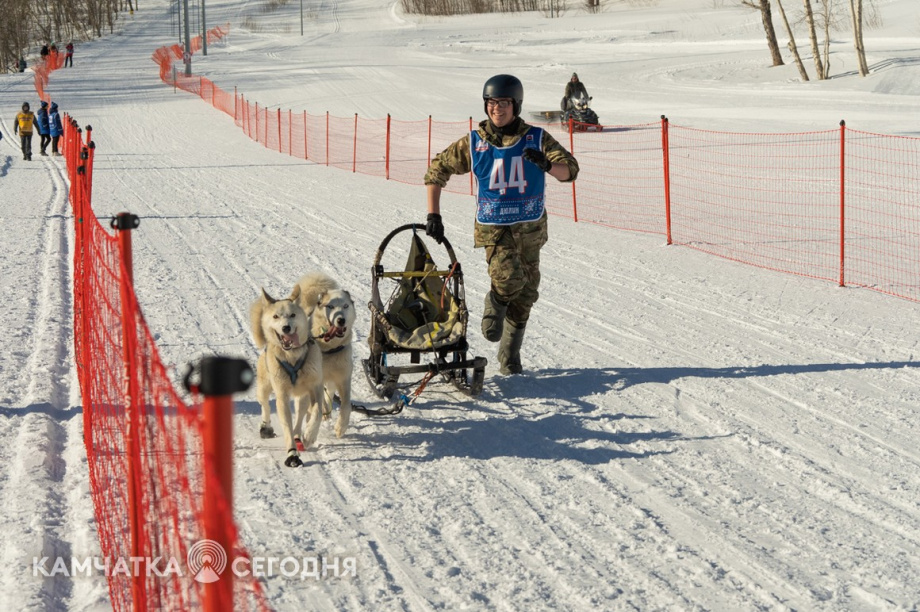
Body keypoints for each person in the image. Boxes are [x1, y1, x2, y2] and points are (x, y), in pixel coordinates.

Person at [424, 74, 579, 375]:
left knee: (527, 294)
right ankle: (496, 299)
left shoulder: (536, 138)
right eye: (492, 102)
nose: (497, 108)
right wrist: (434, 215)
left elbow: (569, 171)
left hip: (530, 230)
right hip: (494, 229)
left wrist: (547, 164)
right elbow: (436, 171)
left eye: (504, 103)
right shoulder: (475, 142)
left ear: (516, 105)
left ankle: (509, 357)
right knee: (508, 280)